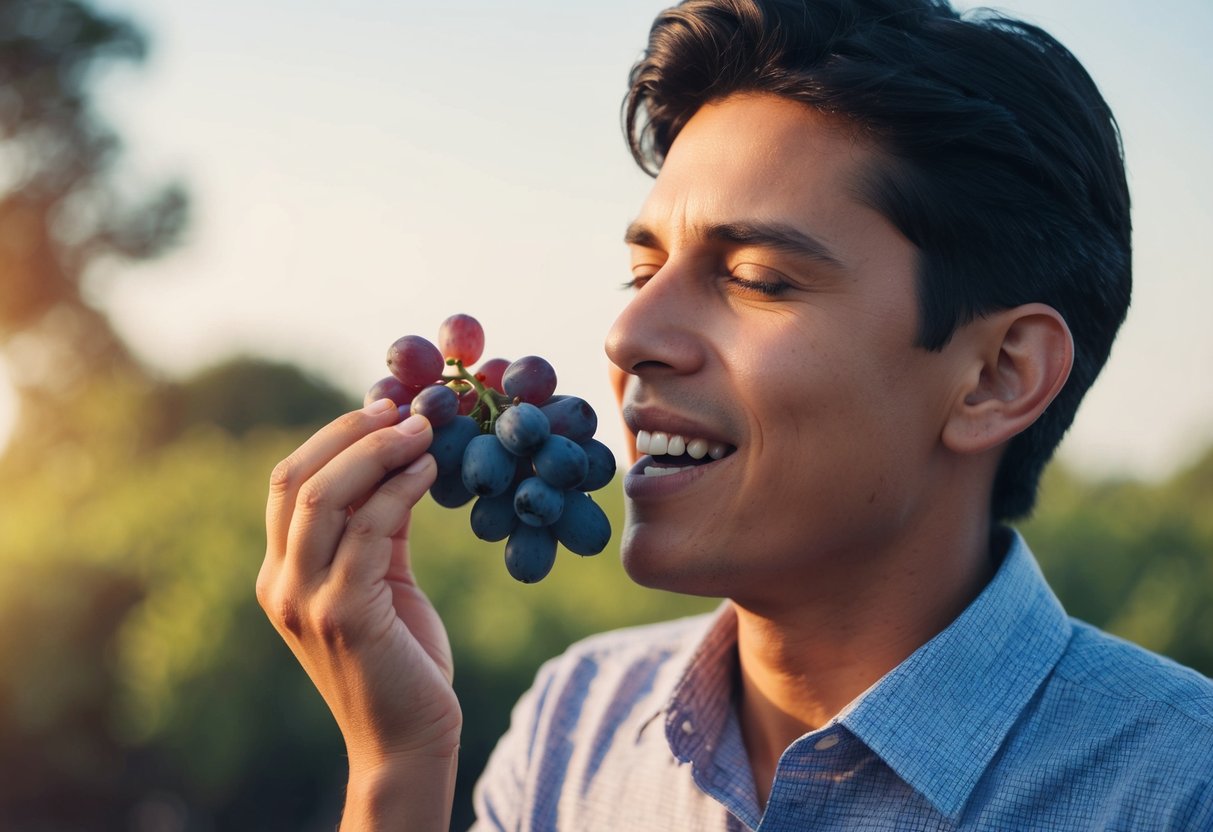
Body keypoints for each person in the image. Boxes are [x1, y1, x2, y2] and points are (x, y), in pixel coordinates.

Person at [257, 0, 1213, 829]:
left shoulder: (1182, 790)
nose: (629, 329)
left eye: (754, 277)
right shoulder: (571, 729)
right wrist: (396, 769)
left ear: (998, 376)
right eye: (642, 271)